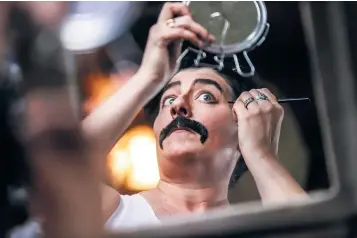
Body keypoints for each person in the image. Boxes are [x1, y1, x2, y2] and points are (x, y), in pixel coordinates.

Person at [10, 2, 307, 237]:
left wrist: (262, 154)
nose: (178, 105)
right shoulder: (113, 213)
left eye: (206, 97)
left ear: (243, 127)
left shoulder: (260, 226)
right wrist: (148, 79)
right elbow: (50, 171)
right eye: (168, 98)